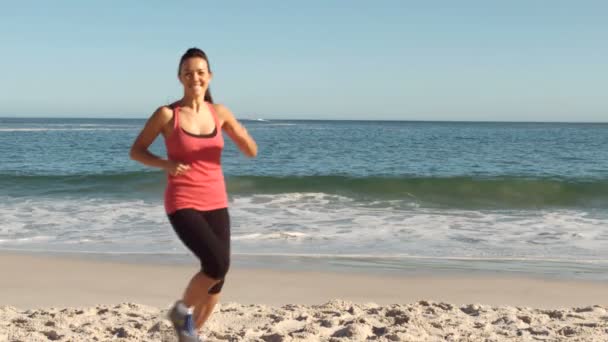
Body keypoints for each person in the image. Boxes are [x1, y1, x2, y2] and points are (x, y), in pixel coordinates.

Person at [129, 47, 258, 341]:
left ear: (209, 76)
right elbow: (136, 151)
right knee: (216, 264)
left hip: (216, 200)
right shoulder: (166, 115)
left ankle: (190, 334)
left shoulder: (220, 112)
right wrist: (166, 164)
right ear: (180, 78)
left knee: (218, 278)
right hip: (182, 200)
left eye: (200, 72)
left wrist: (246, 141)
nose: (195, 77)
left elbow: (250, 149)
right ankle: (181, 311)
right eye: (188, 73)